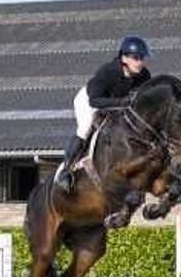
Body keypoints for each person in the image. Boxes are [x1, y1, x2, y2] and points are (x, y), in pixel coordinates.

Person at [55, 35, 152, 192]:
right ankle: (65, 171)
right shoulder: (108, 72)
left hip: (115, 104)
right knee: (85, 129)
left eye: (142, 58)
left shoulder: (144, 75)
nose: (140, 62)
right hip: (89, 101)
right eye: (136, 58)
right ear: (124, 58)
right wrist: (123, 103)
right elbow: (95, 101)